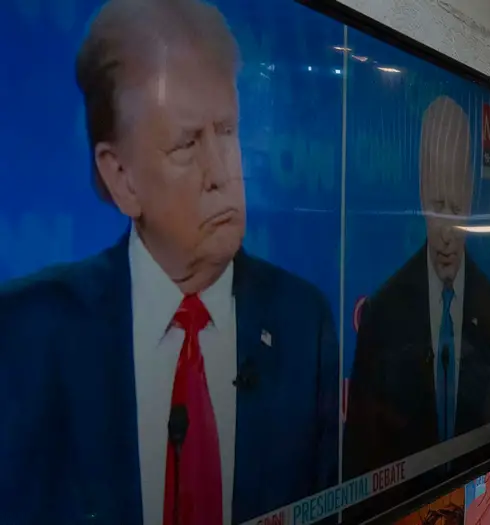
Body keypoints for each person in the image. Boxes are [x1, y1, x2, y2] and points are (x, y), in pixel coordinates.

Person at [0, 1, 340, 523]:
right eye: (187, 144)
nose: (220, 172)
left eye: (227, 132)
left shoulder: (302, 323)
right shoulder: (27, 337)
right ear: (122, 178)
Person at [343, 96, 490, 518]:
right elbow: (360, 462)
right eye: (437, 209)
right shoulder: (383, 315)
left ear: (471, 200)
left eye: (456, 210)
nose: (448, 233)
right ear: (419, 196)